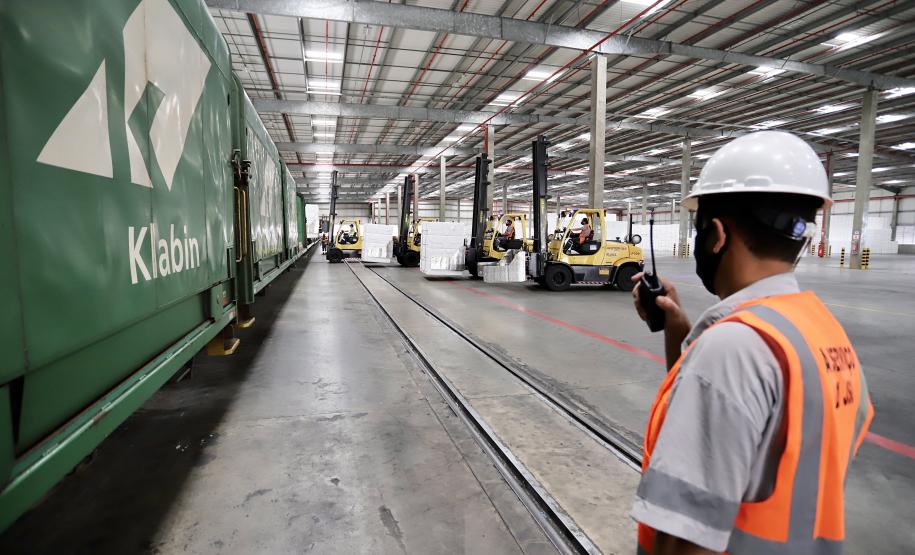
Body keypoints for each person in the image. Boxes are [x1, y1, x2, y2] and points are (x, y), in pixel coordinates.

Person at [630, 131, 873, 555]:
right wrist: (678, 329)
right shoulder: (823, 334)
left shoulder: (733, 349)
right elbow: (758, 445)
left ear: (716, 235)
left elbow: (689, 537)